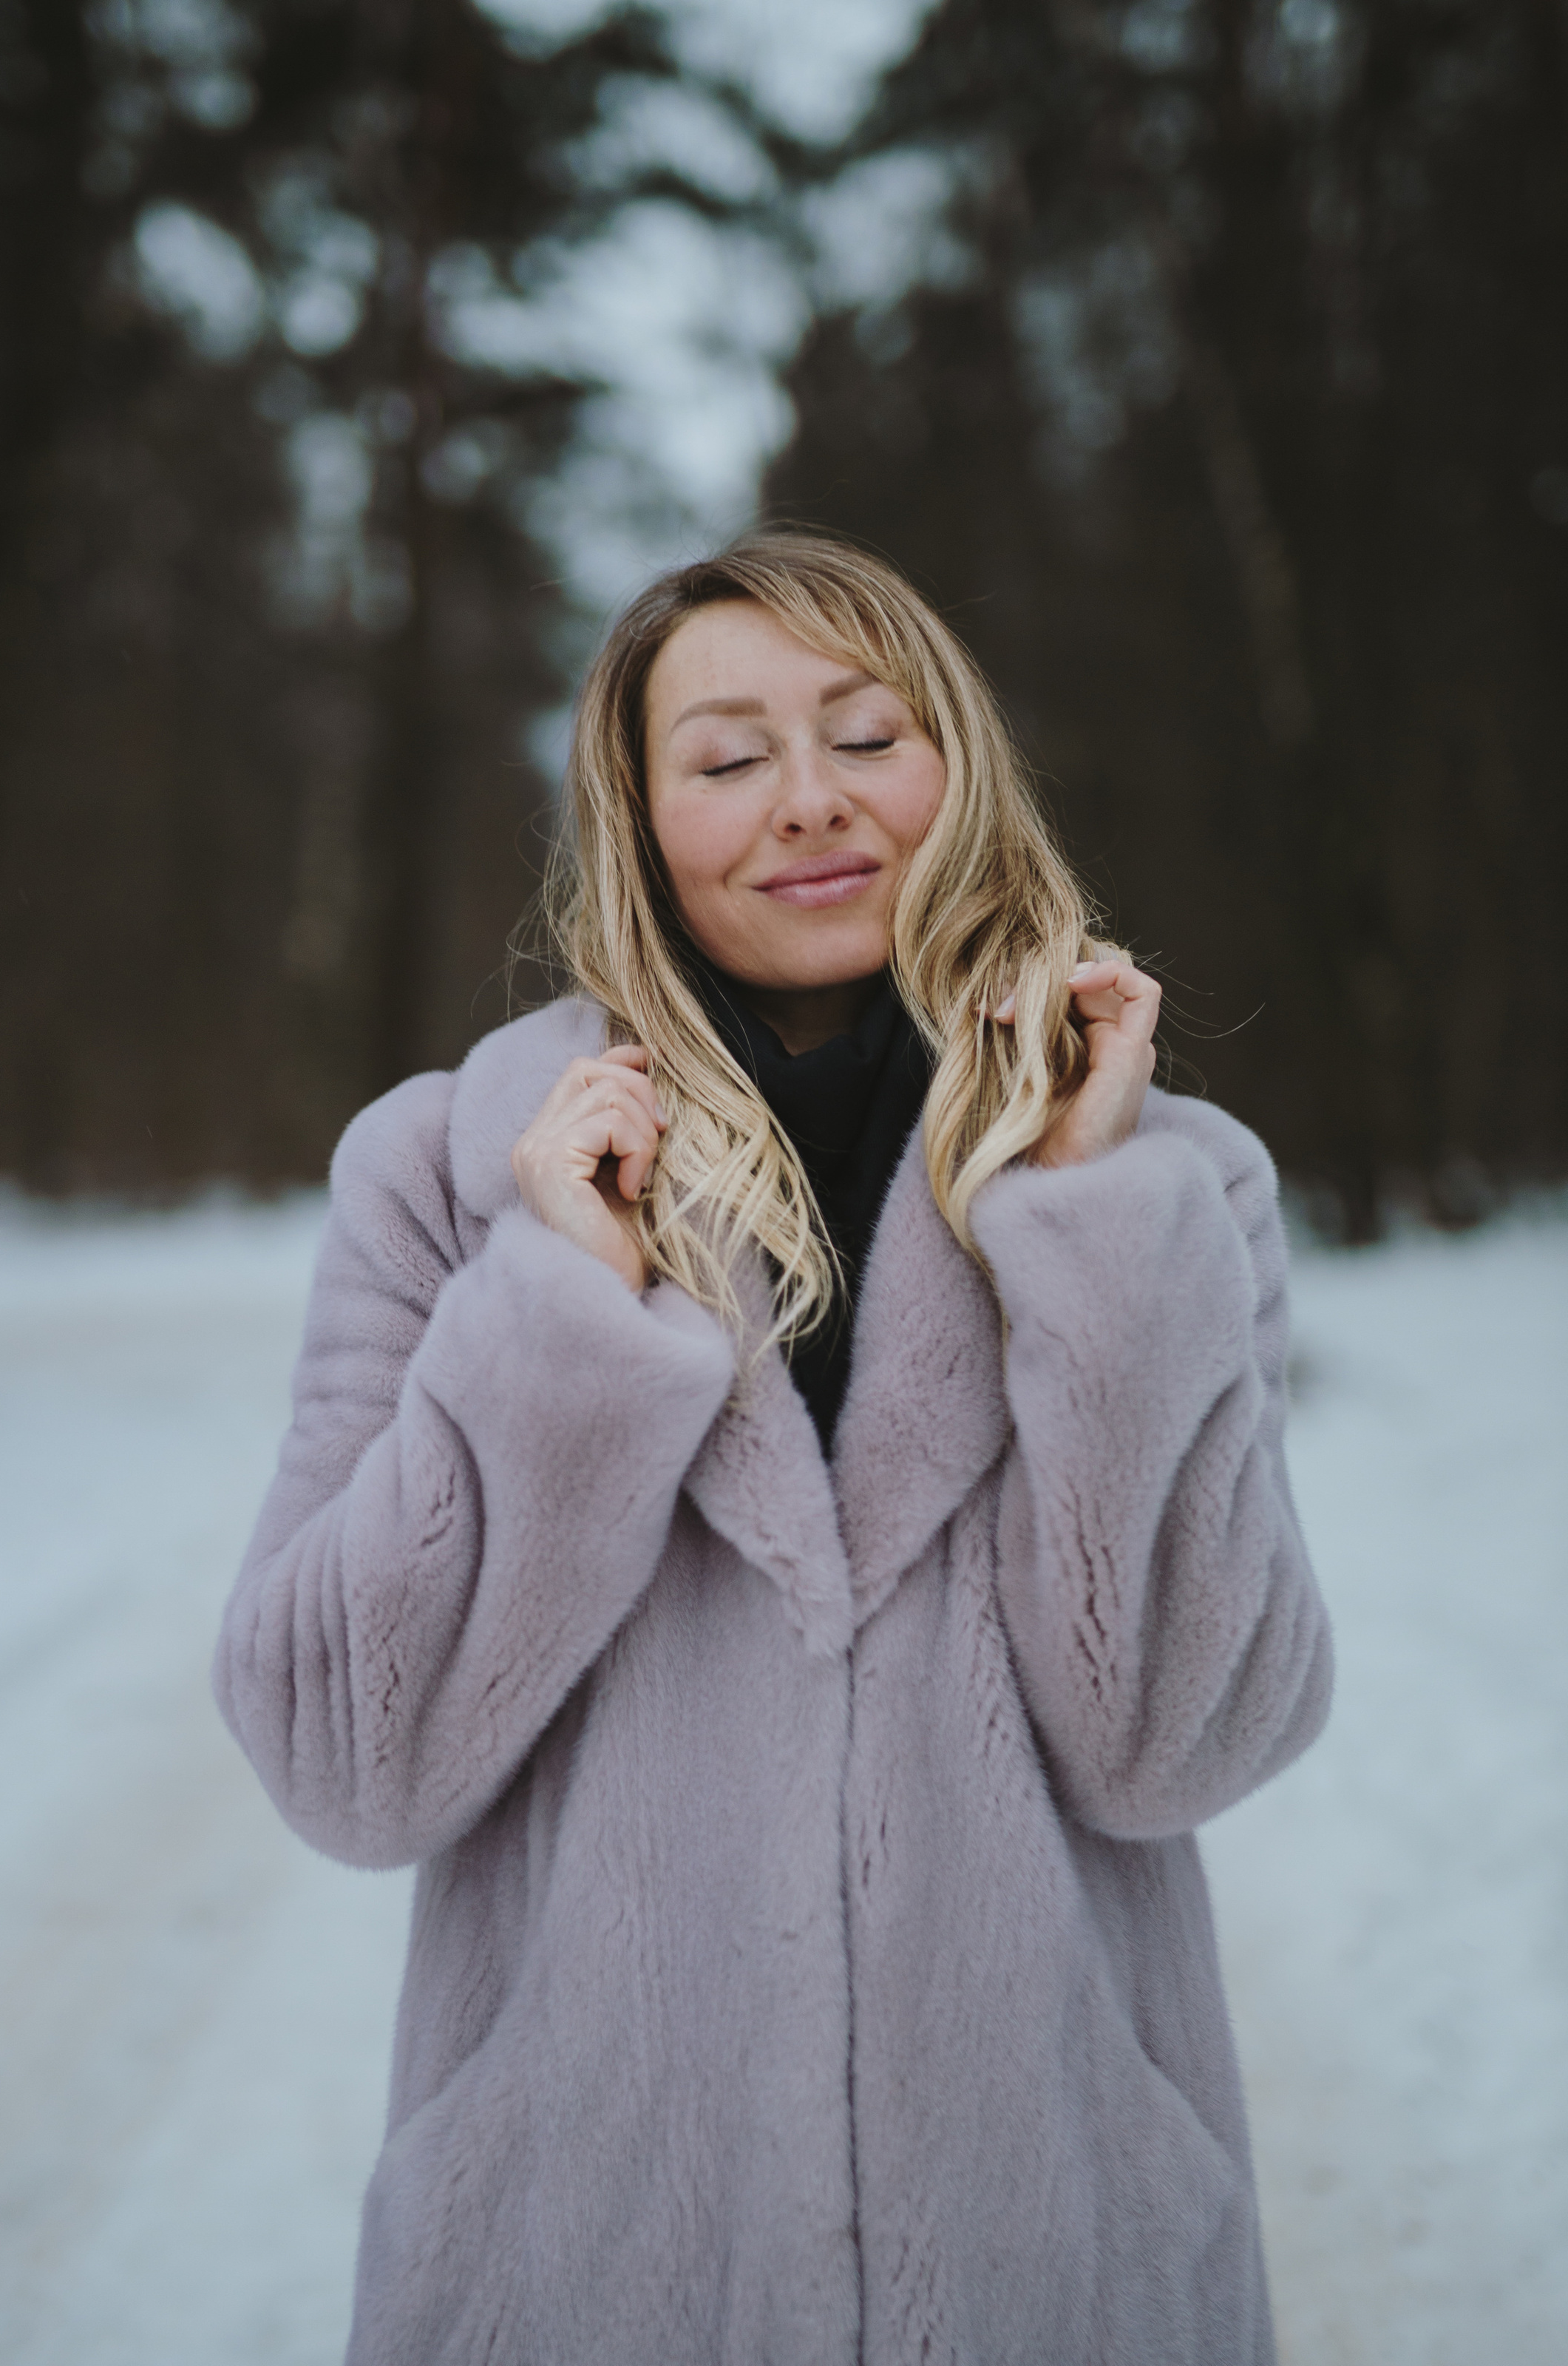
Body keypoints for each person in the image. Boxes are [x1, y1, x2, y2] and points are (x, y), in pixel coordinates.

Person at [215, 531, 1333, 2366]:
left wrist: (1091, 1228)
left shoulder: (1167, 1187)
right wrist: (558, 1315)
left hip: (1053, 2266)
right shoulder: (443, 1175)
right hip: (575, 2267)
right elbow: (347, 1759)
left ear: (954, 766)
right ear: (638, 823)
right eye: (726, 760)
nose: (806, 804)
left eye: (865, 735)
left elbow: (1179, 1739)